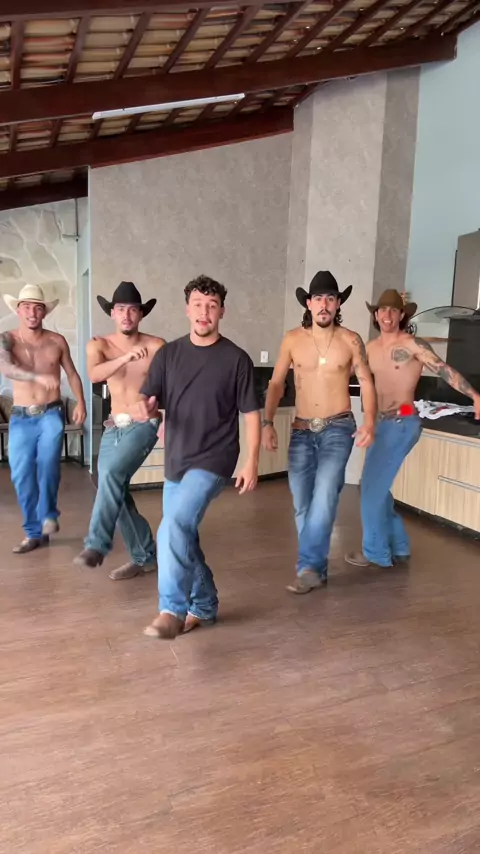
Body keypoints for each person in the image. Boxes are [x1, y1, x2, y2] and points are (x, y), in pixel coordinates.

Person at [133, 274, 261, 640]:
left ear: (222, 312)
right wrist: (146, 408)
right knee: (182, 533)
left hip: (215, 458)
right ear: (187, 309)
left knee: (172, 527)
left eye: (212, 306)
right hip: (177, 459)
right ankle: (204, 605)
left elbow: (250, 414)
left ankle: (171, 610)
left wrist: (251, 460)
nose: (205, 312)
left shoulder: (236, 359)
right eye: (198, 305)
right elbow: (150, 400)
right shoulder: (169, 354)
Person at [346, 288, 480, 569]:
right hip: (379, 425)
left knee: (370, 490)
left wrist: (475, 396)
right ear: (375, 315)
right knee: (376, 488)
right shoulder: (369, 348)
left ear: (401, 315)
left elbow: (443, 369)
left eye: (393, 310)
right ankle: (399, 546)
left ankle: (375, 553)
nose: (387, 314)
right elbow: (343, 372)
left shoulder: (412, 344)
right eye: (382, 309)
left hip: (401, 422)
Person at [262, 271, 376, 593]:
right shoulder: (292, 339)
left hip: (338, 426)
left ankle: (308, 567)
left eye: (330, 298)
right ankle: (317, 569)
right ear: (309, 304)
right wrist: (267, 422)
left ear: (338, 303)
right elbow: (276, 383)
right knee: (302, 503)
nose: (324, 304)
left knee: (325, 494)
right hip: (301, 430)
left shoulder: (351, 340)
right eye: (318, 299)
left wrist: (369, 421)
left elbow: (366, 382)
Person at [74, 281, 165, 580]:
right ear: (112, 313)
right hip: (114, 426)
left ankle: (96, 545)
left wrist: (158, 407)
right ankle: (145, 555)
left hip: (145, 423)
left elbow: (171, 385)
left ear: (141, 314)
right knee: (112, 485)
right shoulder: (98, 345)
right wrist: (126, 357)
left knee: (111, 475)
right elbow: (94, 374)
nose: (127, 315)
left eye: (133, 310)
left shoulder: (157, 346)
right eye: (121, 309)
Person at [0, 284, 86, 554]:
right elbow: (6, 368)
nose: (32, 312)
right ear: (18, 310)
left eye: (38, 308)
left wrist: (81, 401)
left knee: (48, 464)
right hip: (21, 417)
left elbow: (72, 373)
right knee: (21, 474)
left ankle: (48, 514)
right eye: (26, 307)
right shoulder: (7, 339)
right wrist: (37, 377)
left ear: (44, 312)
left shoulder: (57, 341)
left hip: (51, 413)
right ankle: (34, 533)